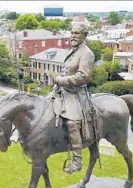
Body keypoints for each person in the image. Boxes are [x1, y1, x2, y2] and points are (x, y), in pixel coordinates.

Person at [52, 23, 95, 173]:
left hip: (76, 94)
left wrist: (61, 80)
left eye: (77, 33)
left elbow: (84, 76)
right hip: (63, 90)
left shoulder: (86, 53)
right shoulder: (73, 51)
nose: (73, 36)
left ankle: (77, 161)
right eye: (72, 33)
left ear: (85, 35)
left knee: (72, 123)